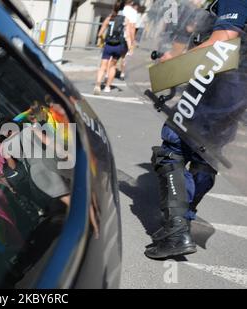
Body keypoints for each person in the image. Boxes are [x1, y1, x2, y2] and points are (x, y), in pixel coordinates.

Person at [145, 0, 247, 259]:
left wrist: (174, 62)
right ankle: (183, 220)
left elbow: (224, 38)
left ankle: (176, 231)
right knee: (206, 151)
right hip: (238, 90)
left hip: (220, 82)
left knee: (174, 146)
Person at [94, 1, 133, 94]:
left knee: (103, 66)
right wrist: (130, 48)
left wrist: (101, 39)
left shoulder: (109, 18)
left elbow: (100, 33)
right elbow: (127, 35)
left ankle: (98, 85)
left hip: (108, 45)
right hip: (119, 46)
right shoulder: (125, 19)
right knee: (113, 66)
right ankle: (107, 87)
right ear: (123, 9)